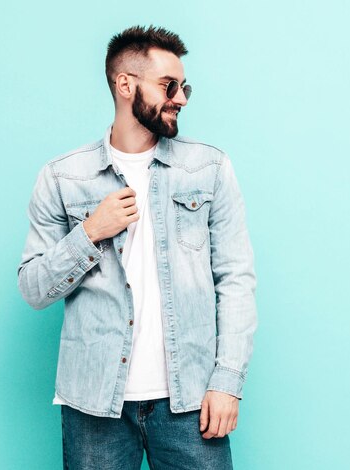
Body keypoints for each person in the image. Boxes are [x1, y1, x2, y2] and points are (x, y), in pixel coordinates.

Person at [17, 25, 257, 470]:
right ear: (125, 85)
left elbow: (236, 281)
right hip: (94, 404)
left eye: (184, 87)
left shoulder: (209, 168)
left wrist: (227, 381)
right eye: (169, 85)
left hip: (189, 402)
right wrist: (89, 232)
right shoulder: (63, 177)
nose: (181, 97)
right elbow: (32, 289)